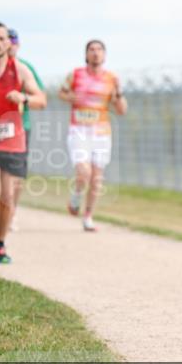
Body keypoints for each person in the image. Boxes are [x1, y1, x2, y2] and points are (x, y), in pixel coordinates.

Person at [0, 22, 47, 263]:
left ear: (9, 43)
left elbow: (41, 100)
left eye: (2, 39)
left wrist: (23, 96)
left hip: (13, 140)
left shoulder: (21, 70)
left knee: (6, 199)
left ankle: (0, 245)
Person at [58, 39, 127, 231]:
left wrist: (119, 92)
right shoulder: (75, 75)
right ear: (86, 54)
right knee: (84, 172)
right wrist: (70, 97)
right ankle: (76, 196)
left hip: (101, 132)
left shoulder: (111, 79)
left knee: (97, 177)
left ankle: (88, 216)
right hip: (79, 130)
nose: (95, 53)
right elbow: (61, 93)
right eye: (92, 49)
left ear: (104, 55)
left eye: (99, 50)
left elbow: (121, 110)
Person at [7, 28, 47, 231]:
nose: (9, 44)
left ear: (18, 44)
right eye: (6, 40)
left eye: (13, 41)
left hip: (21, 128)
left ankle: (11, 212)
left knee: (16, 175)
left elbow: (41, 100)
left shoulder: (25, 68)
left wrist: (24, 98)